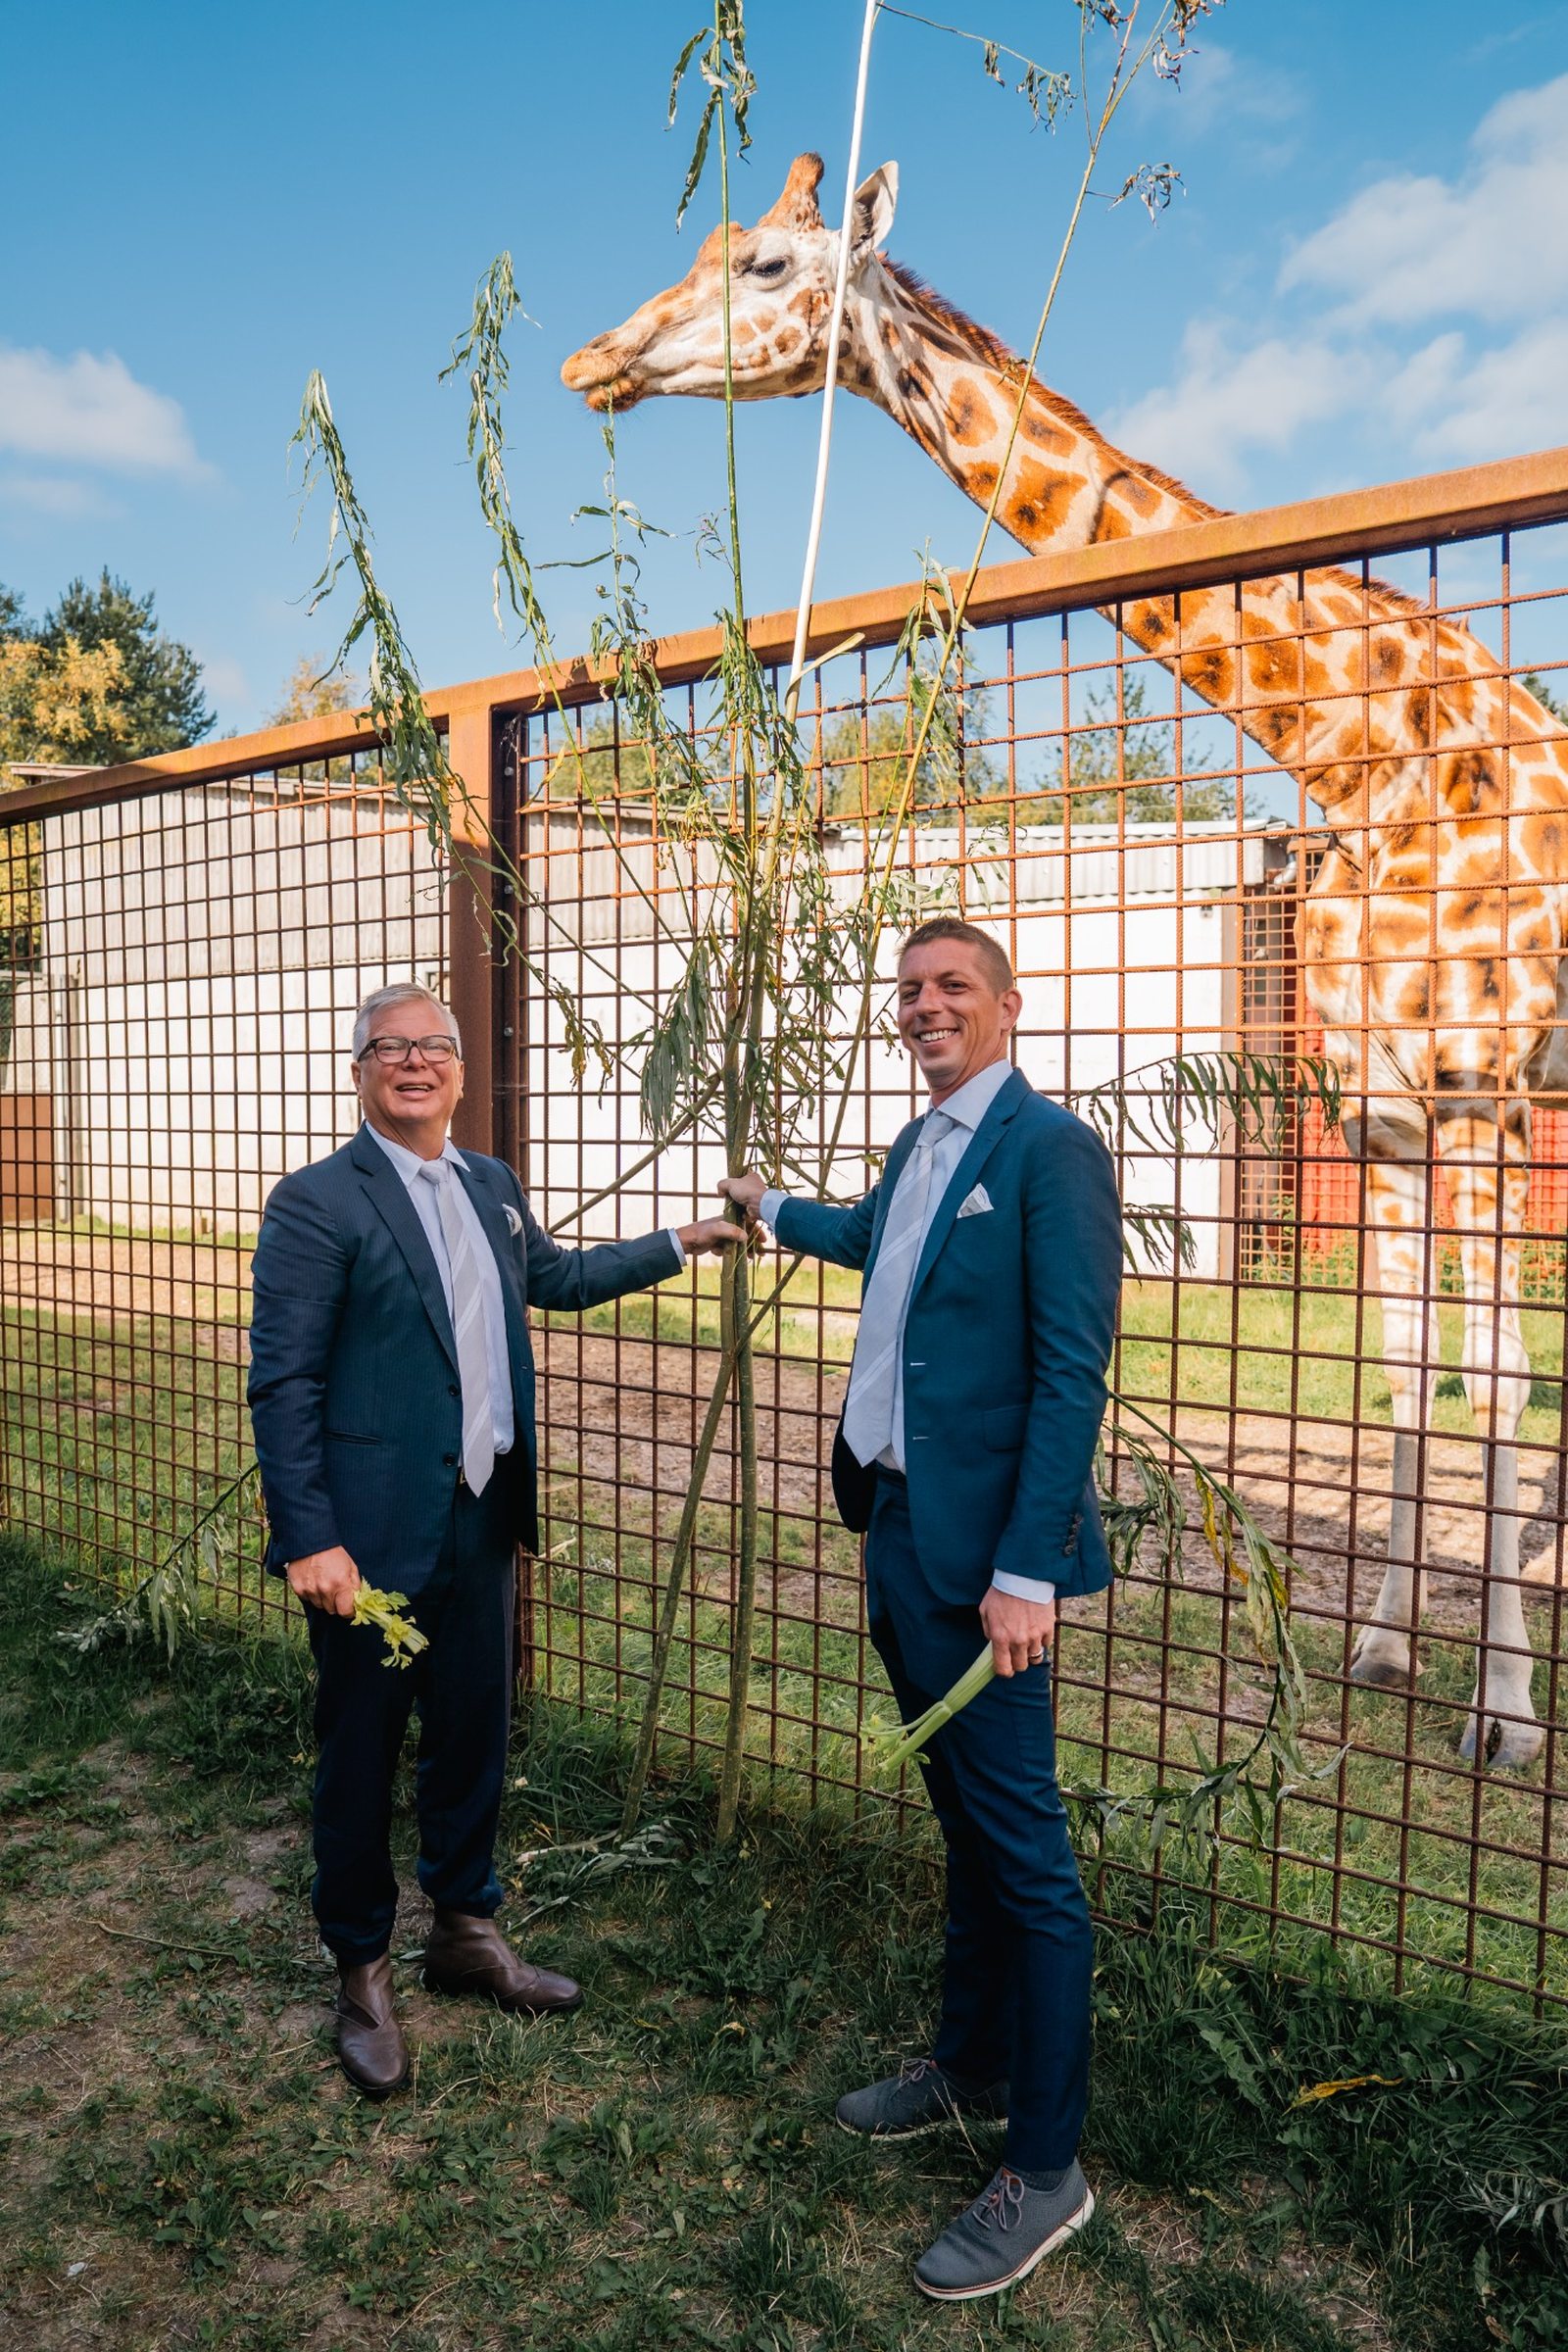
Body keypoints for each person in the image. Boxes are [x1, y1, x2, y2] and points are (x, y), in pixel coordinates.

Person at [721, 916, 1121, 2304]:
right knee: (963, 1824)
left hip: (986, 1569)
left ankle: (1048, 2165)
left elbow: (1072, 1374)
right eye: (909, 990)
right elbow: (873, 1242)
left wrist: (1028, 1570)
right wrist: (771, 1210)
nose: (925, 1005)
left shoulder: (1050, 1153)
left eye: (952, 986)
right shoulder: (918, 1149)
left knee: (1030, 1864)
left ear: (1008, 1006)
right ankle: (969, 2066)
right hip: (895, 1530)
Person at [248, 982, 741, 2097]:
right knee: (361, 1755)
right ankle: (361, 1966)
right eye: (389, 1047)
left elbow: (555, 1281)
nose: (413, 1062)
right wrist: (308, 1538)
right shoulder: (318, 1202)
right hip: (366, 1547)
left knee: (475, 1734)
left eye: (434, 1046)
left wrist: (684, 1236)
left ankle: (465, 1931)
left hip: (483, 1520)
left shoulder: (490, 1184)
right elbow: (282, 1383)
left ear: (461, 1072)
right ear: (360, 1070)